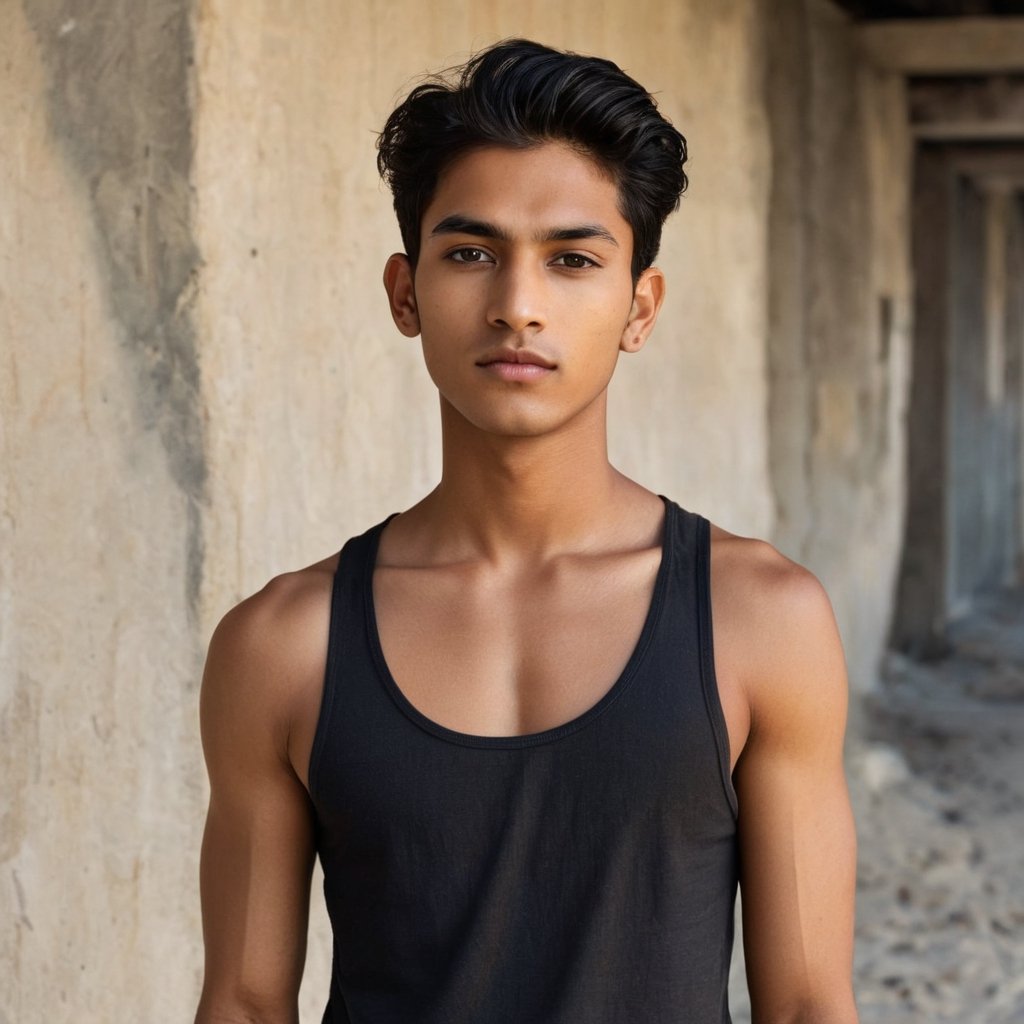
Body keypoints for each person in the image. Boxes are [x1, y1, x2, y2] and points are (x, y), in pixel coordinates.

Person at [195, 39, 858, 1024]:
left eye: (572, 260)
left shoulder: (761, 620)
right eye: (470, 253)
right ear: (405, 293)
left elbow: (806, 1002)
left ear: (639, 307)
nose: (516, 306)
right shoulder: (282, 645)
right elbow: (245, 1003)